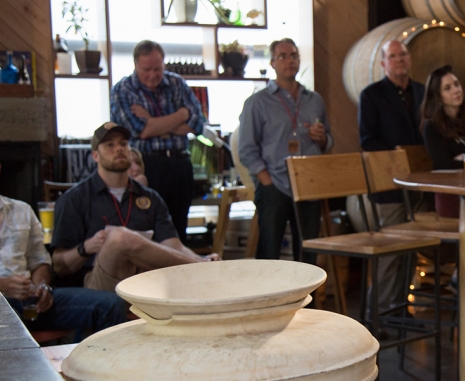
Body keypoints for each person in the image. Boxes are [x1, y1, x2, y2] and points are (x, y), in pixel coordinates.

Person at [0, 137, 125, 336]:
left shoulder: (21, 210)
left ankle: (83, 364)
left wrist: (42, 286)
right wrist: (0, 285)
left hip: (29, 301)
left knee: (110, 304)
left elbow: (39, 260)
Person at [51, 123, 217, 293]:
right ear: (95, 156)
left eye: (123, 144)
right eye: (110, 145)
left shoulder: (150, 198)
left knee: (188, 279)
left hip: (144, 278)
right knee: (120, 238)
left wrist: (202, 258)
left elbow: (174, 246)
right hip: (97, 281)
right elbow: (59, 265)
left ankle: (203, 269)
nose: (119, 149)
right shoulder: (75, 199)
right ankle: (200, 269)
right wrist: (85, 247)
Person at [238, 38, 330, 264]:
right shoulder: (257, 103)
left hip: (308, 185)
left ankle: (308, 300)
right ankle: (269, 300)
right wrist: (266, 181)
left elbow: (328, 141)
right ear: (272, 63)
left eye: (294, 56)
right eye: (283, 56)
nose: (290, 61)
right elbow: (247, 149)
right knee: (270, 254)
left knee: (308, 254)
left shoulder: (314, 100)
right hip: (274, 185)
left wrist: (322, 138)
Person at [110, 40, 208, 240]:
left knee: (178, 230)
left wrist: (153, 122)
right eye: (147, 69)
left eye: (158, 68)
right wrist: (181, 115)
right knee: (149, 229)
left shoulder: (176, 83)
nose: (153, 75)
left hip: (180, 165)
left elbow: (198, 124)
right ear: (136, 65)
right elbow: (140, 131)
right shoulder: (123, 90)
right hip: (146, 165)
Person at [356, 39, 427, 313]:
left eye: (404, 54)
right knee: (390, 250)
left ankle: (399, 308)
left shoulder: (421, 91)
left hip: (419, 182)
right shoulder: (371, 95)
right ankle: (379, 312)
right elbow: (367, 139)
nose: (399, 59)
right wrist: (397, 155)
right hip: (388, 183)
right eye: (393, 56)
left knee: (411, 249)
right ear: (384, 63)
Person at [421, 65, 465, 218]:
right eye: (447, 88)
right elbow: (443, 164)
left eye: (456, 84)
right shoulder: (432, 126)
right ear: (438, 95)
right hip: (451, 193)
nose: (456, 90)